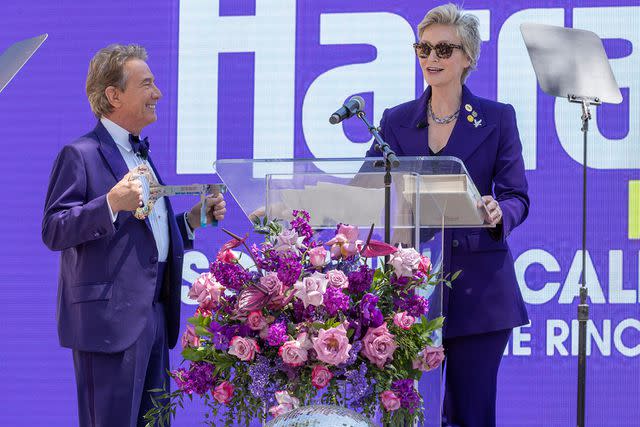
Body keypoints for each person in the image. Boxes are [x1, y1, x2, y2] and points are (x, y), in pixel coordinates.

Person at [42, 44, 226, 427]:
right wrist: (109, 202)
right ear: (113, 95)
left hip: (154, 314)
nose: (157, 93)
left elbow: (143, 234)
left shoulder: (140, 154)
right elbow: (54, 228)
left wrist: (190, 222)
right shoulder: (79, 154)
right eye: (147, 84)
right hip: (108, 323)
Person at [365, 4, 529, 427]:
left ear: (467, 57)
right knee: (404, 415)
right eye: (423, 48)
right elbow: (366, 190)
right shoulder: (395, 120)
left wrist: (498, 211)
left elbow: (516, 197)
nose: (431, 58)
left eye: (443, 48)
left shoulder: (497, 117)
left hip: (480, 296)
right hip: (408, 294)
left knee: (470, 416)